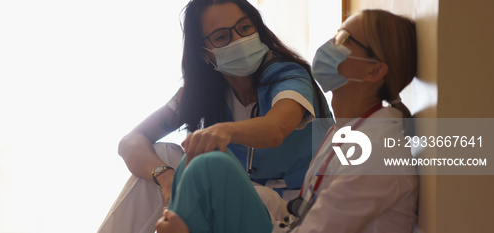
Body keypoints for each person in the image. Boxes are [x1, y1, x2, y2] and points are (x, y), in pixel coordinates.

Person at [155, 9, 419, 233]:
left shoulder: (378, 149)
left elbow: (277, 127)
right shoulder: (352, 131)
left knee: (210, 167)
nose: (330, 44)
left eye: (343, 39)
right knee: (197, 164)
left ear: (374, 70)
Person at [98, 0, 332, 232]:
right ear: (204, 54)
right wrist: (166, 179)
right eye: (222, 37)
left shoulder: (288, 75)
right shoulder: (204, 91)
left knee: (207, 168)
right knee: (164, 155)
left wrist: (222, 132)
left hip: (294, 209)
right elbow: (131, 141)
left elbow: (277, 128)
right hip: (245, 201)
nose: (239, 40)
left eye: (244, 27)